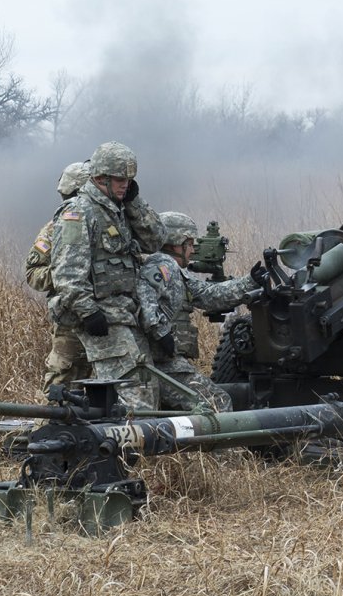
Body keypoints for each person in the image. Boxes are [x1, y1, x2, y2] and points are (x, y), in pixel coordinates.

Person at [47, 141, 168, 411]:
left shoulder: (120, 211)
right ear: (101, 178)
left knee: (146, 386)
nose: (125, 185)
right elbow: (67, 273)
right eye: (120, 179)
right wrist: (89, 312)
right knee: (136, 395)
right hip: (101, 317)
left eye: (129, 180)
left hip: (124, 315)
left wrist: (135, 203)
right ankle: (123, 449)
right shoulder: (78, 213)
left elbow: (156, 239)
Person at [136, 211, 257, 412]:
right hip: (159, 363)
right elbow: (145, 302)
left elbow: (209, 295)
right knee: (217, 403)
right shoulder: (161, 266)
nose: (193, 250)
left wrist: (250, 280)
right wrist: (161, 333)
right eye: (190, 244)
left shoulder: (173, 271)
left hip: (162, 362)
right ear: (176, 244)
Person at [28, 161, 94, 389]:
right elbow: (33, 273)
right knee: (63, 385)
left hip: (111, 317)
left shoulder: (110, 226)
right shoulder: (54, 228)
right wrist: (67, 275)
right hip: (71, 321)